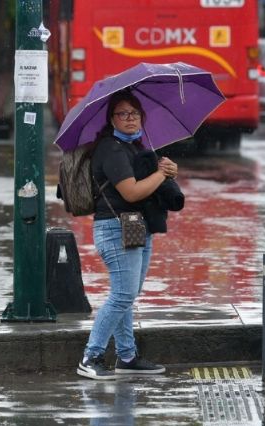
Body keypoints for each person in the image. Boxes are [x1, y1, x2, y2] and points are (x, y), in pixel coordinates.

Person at [77, 90, 182, 380]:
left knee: (127, 295)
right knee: (122, 295)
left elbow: (148, 186)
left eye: (134, 113)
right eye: (122, 113)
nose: (130, 118)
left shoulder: (135, 147)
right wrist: (161, 174)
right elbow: (132, 191)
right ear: (111, 119)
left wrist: (167, 171)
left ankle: (127, 356)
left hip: (136, 226)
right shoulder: (110, 149)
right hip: (114, 228)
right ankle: (91, 355)